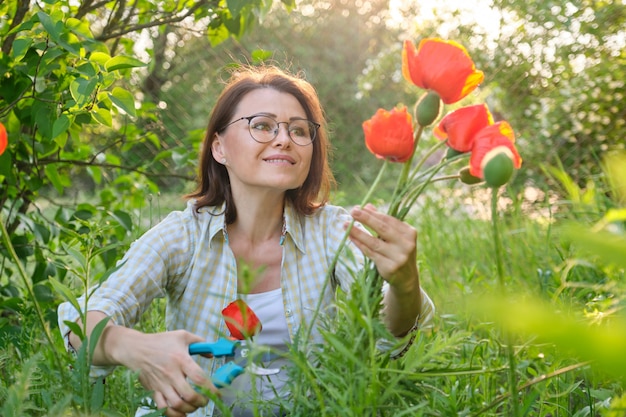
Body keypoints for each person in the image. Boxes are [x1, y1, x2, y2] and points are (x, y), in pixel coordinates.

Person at [57, 65, 435, 417]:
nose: (284, 139)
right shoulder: (183, 235)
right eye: (263, 125)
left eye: (299, 130)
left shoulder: (334, 231)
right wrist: (137, 348)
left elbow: (386, 336)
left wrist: (404, 286)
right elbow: (82, 326)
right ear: (219, 147)